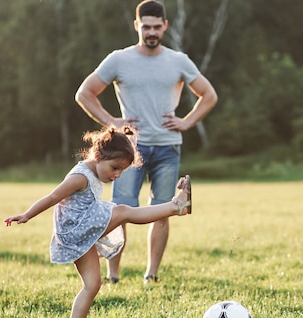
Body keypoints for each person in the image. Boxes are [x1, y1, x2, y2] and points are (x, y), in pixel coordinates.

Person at [75, 0, 217, 286]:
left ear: (164, 26)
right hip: (129, 151)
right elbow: (85, 93)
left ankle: (151, 274)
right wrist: (112, 122)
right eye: (146, 26)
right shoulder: (119, 59)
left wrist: (187, 122)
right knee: (119, 211)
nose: (151, 32)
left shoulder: (178, 60)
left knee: (164, 210)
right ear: (136, 25)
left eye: (156, 27)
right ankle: (114, 275)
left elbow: (209, 95)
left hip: (168, 147)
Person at [4, 126, 192, 318]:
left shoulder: (96, 173)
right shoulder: (80, 177)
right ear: (98, 155)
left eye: (121, 171)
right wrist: (27, 214)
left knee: (93, 284)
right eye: (114, 168)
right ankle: (177, 206)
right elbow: (53, 196)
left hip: (81, 234)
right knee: (123, 212)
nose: (117, 175)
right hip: (76, 230)